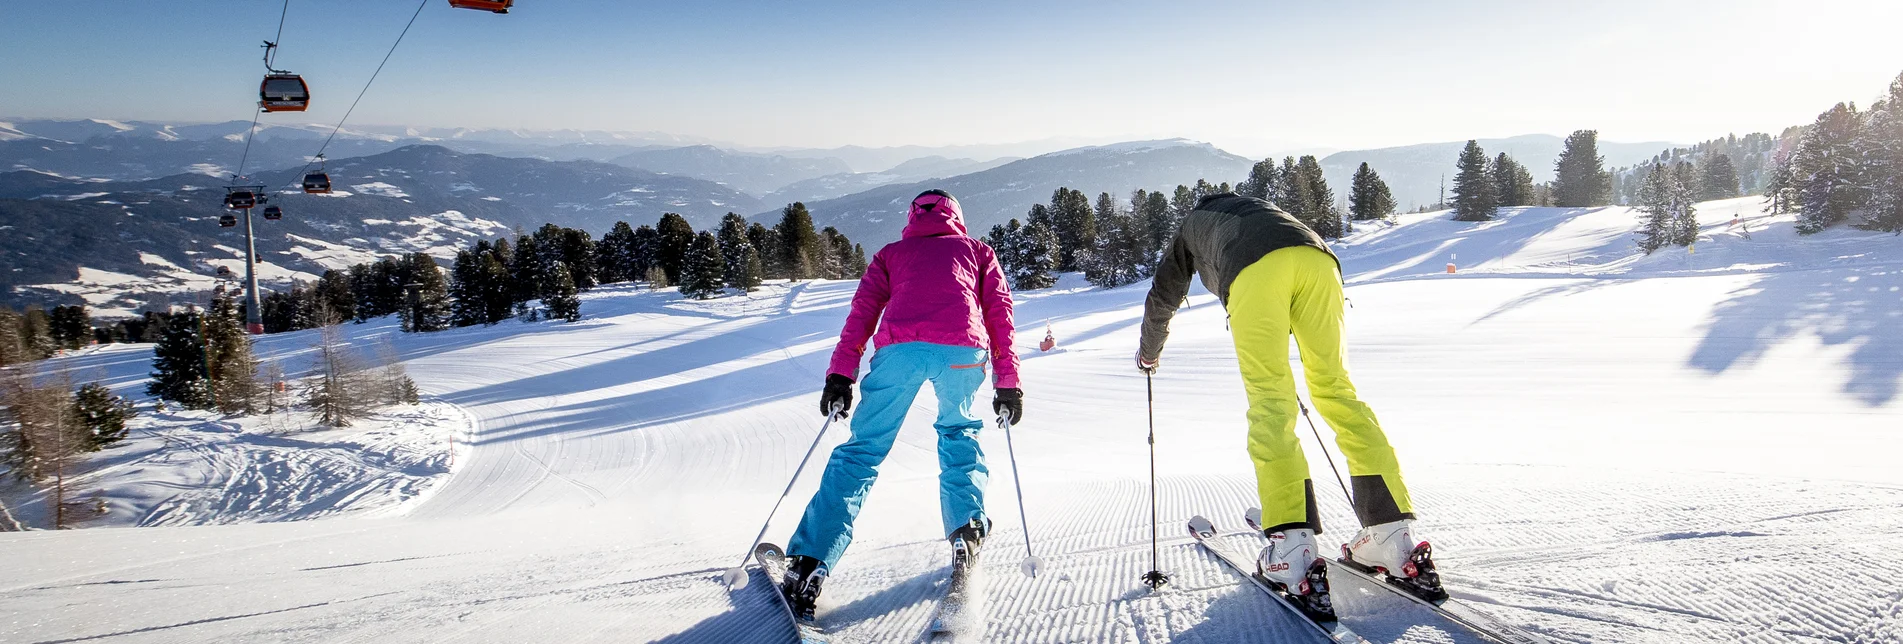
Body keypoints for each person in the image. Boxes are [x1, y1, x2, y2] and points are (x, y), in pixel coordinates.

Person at [1136, 193, 1442, 620]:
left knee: (1270, 401)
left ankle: (1292, 552)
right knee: (1337, 390)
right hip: (1320, 263)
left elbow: (1163, 295)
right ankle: (1392, 537)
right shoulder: (1255, 208)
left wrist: (1148, 354)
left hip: (1257, 273)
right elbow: (1286, 245)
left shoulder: (1191, 226)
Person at [779, 189, 1024, 620]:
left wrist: (841, 374)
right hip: (962, 354)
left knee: (863, 451)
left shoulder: (891, 254)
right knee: (958, 433)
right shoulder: (978, 252)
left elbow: (862, 313)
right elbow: (999, 314)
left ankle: (810, 563)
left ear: (913, 216)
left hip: (900, 351)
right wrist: (1008, 382)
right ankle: (966, 533)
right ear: (957, 215)